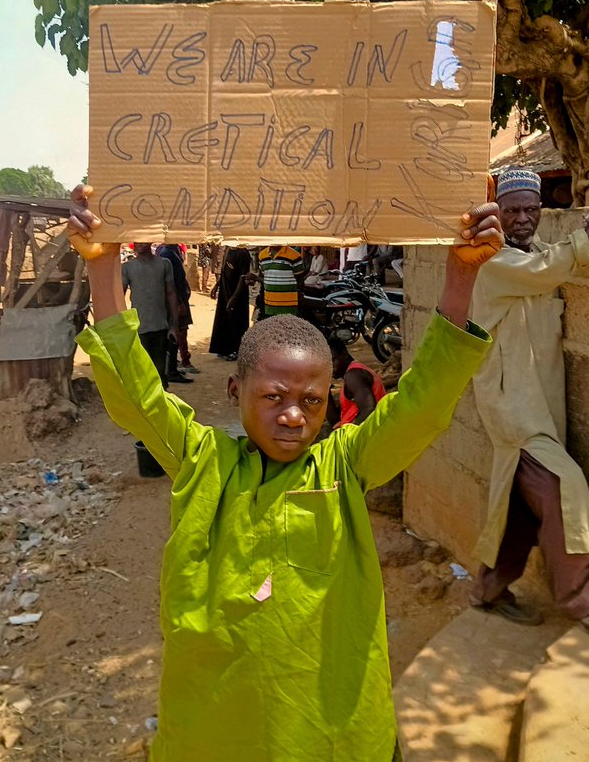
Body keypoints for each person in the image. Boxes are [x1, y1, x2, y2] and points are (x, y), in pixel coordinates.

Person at [68, 184, 502, 762]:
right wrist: (102, 266)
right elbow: (135, 393)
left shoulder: (344, 466)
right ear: (235, 391)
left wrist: (461, 277)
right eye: (273, 397)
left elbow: (422, 402)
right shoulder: (204, 463)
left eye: (313, 400)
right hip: (214, 731)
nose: (294, 415)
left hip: (333, 733)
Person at [469, 167, 589, 638]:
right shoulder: (492, 264)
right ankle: (579, 600)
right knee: (563, 486)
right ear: (498, 215)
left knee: (517, 506)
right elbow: (551, 268)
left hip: (539, 411)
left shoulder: (531, 256)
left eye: (531, 210)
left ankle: (488, 591)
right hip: (513, 412)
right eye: (512, 211)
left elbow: (550, 261)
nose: (523, 220)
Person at [121, 242, 187, 388]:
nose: (138, 244)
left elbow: (171, 293)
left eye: (142, 240)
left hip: (160, 327)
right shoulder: (127, 267)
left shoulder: (164, 264)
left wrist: (174, 326)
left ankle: (160, 405)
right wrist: (123, 327)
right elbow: (120, 296)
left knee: (159, 373)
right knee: (142, 373)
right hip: (138, 329)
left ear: (150, 240)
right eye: (136, 241)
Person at [158, 243, 199, 377]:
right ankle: (182, 362)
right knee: (179, 330)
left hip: (181, 297)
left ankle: (176, 363)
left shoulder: (173, 250)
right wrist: (179, 302)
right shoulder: (166, 253)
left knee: (181, 329)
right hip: (176, 299)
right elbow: (170, 282)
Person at [328, 336, 387, 427]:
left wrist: (349, 435)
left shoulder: (354, 375)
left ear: (344, 355)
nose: (331, 367)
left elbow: (369, 410)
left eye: (333, 361)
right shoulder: (351, 374)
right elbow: (336, 422)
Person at [207, 246, 252, 362]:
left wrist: (234, 298)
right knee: (224, 320)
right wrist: (217, 285)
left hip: (237, 295)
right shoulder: (228, 249)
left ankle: (236, 350)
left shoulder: (242, 253)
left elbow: (243, 278)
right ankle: (224, 349)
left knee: (237, 322)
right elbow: (224, 271)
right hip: (225, 292)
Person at [256, 245, 304, 317]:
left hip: (289, 306)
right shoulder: (262, 255)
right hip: (269, 305)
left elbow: (300, 280)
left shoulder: (295, 255)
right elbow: (266, 278)